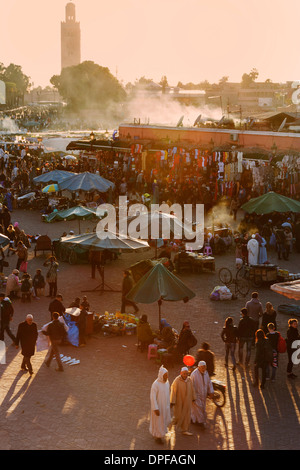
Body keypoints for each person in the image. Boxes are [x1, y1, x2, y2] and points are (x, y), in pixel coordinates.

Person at [170, 366, 196, 436]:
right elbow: (173, 391)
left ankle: (184, 430)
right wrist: (172, 401)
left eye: (186, 374)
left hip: (187, 402)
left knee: (187, 416)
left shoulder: (189, 380)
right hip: (179, 402)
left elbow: (192, 389)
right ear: (181, 373)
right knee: (178, 415)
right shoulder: (177, 380)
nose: (185, 375)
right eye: (184, 373)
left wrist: (193, 397)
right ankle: (170, 424)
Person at [149, 365, 172, 444]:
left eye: (167, 375)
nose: (167, 376)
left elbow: (168, 392)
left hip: (165, 406)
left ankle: (162, 432)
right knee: (158, 422)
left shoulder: (167, 382)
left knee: (163, 421)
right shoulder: (155, 384)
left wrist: (169, 403)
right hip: (158, 407)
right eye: (165, 375)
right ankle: (157, 436)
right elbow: (153, 397)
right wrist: (155, 408)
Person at [190, 361, 214, 428]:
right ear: (199, 367)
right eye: (202, 368)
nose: (203, 369)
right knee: (199, 408)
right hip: (196, 395)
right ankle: (201, 422)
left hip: (204, 395)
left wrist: (211, 391)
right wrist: (192, 396)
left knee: (200, 408)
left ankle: (194, 419)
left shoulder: (206, 373)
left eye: (204, 367)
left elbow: (209, 382)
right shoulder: (194, 374)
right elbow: (191, 386)